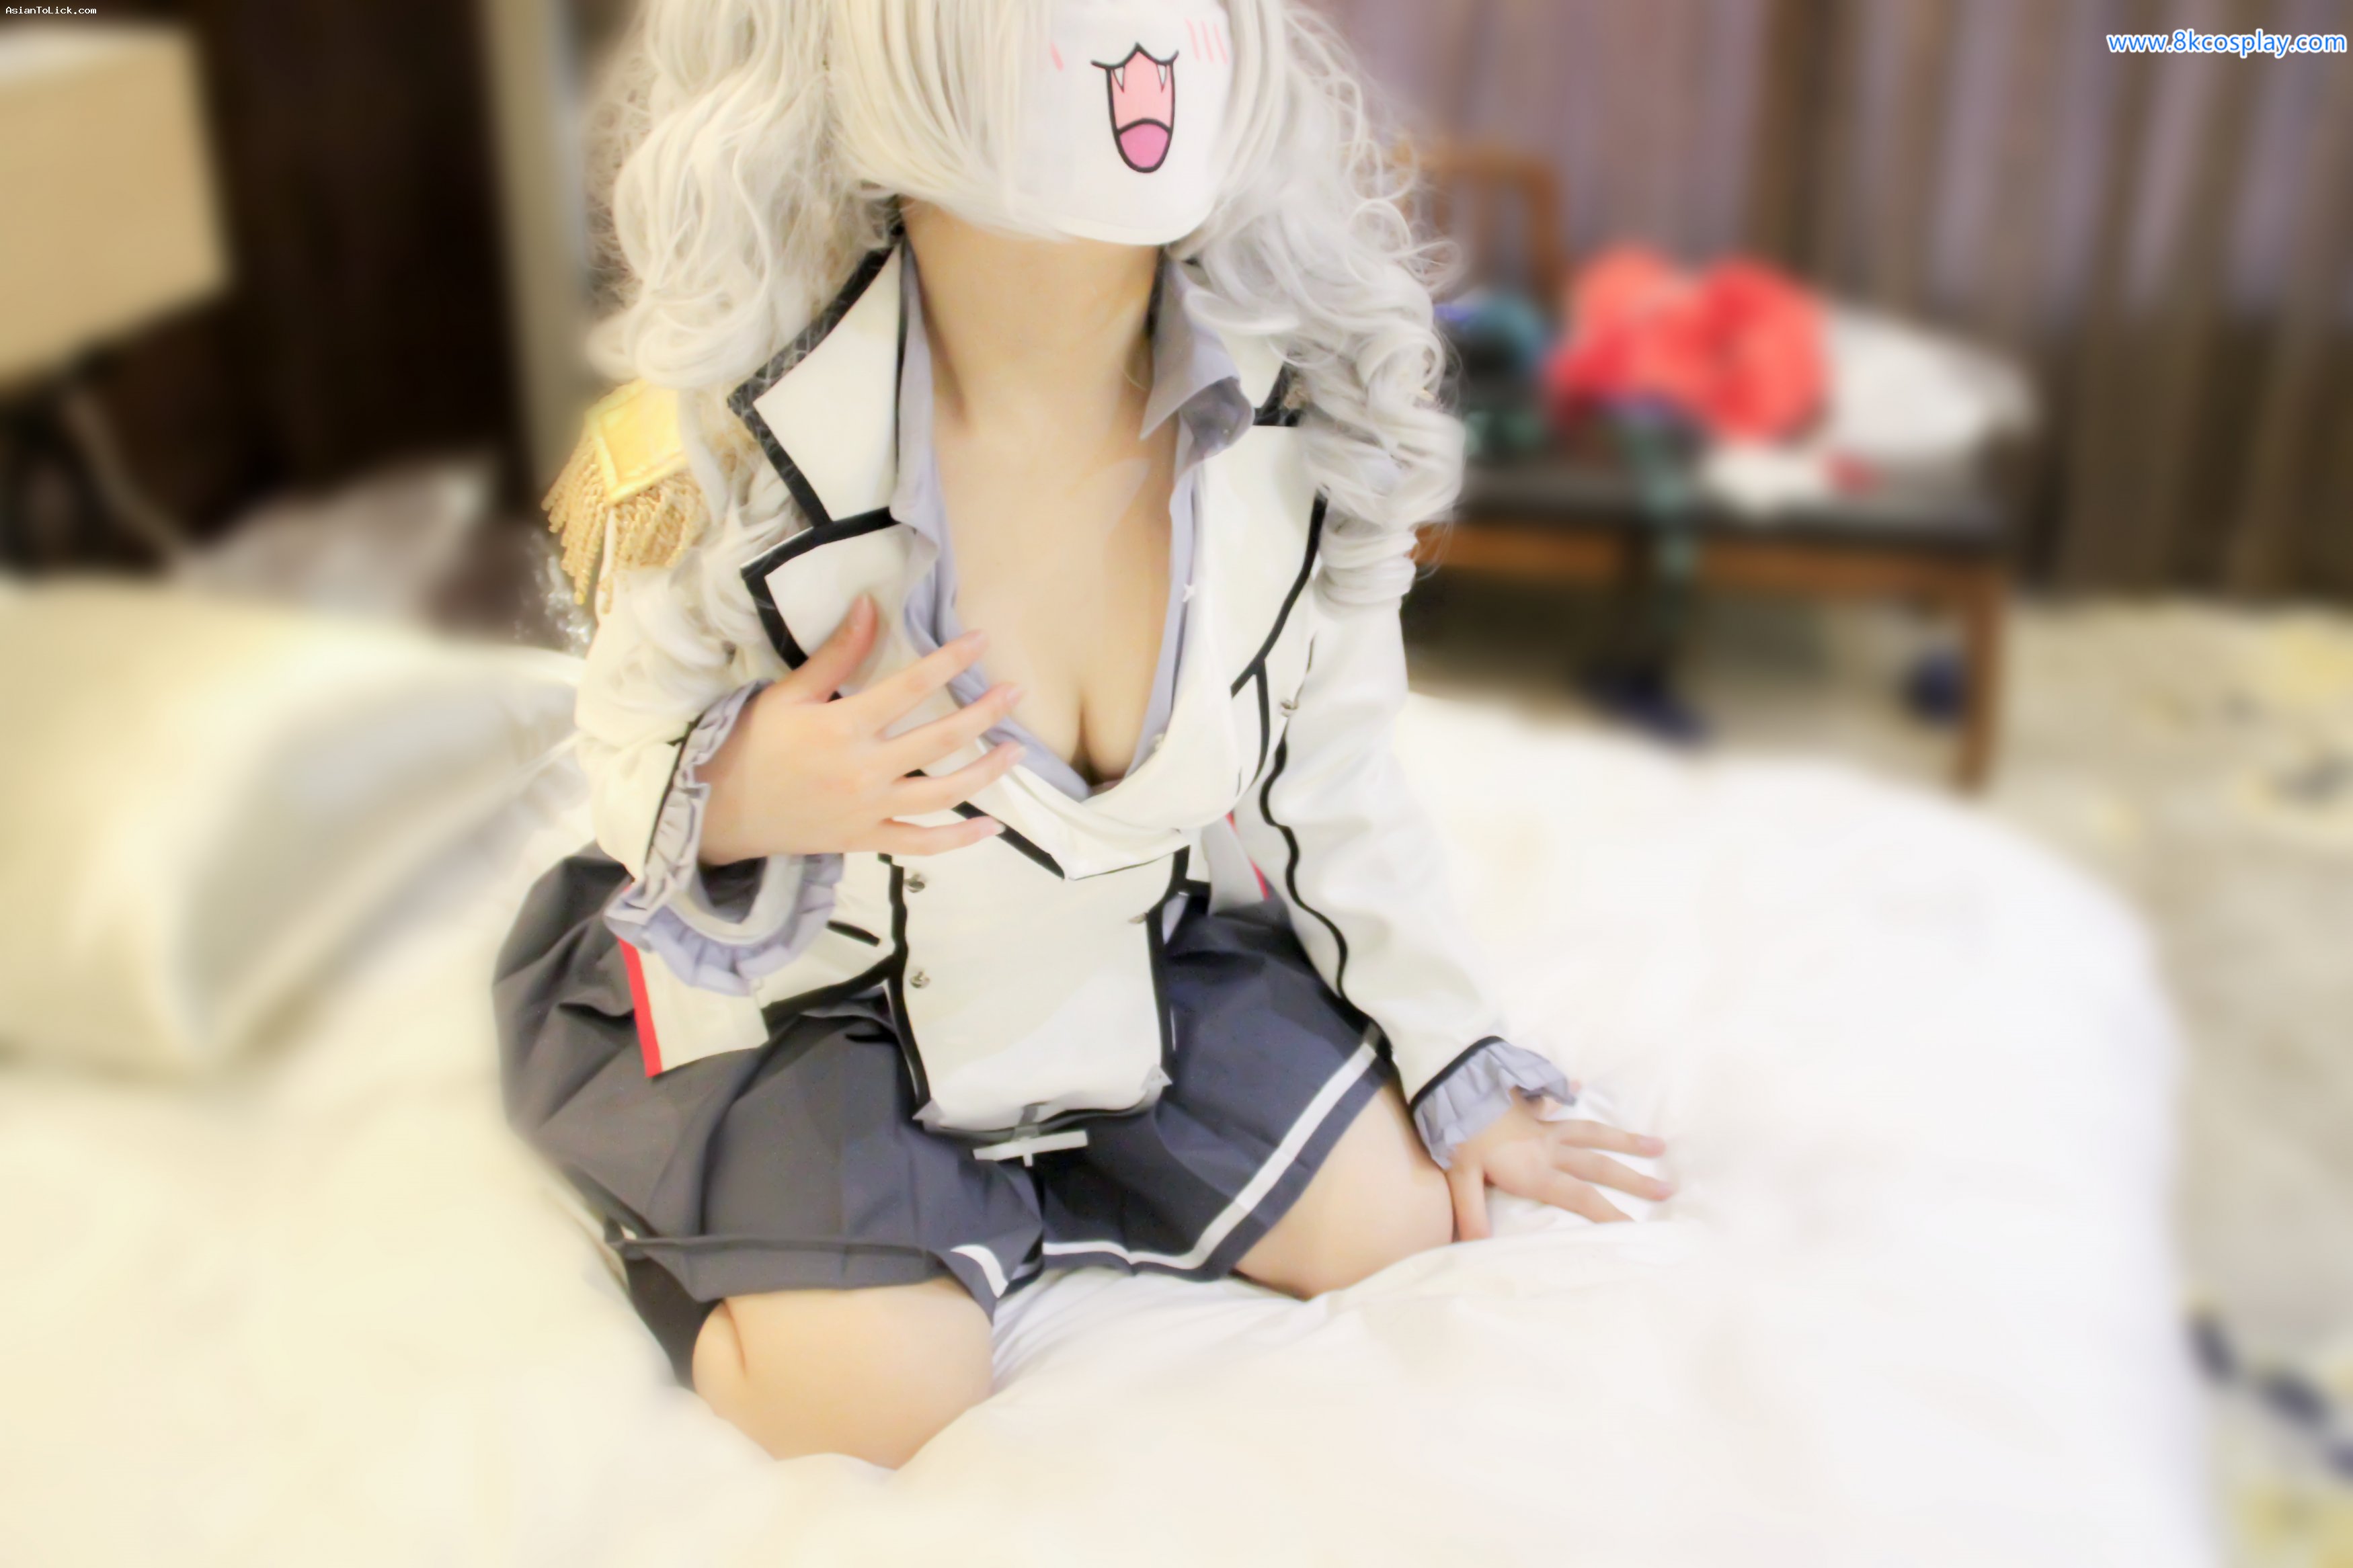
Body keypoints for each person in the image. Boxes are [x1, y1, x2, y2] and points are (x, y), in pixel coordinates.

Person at [496, 0, 1669, 1468]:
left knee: (1398, 1217)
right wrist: (743, 790)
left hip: (1117, 961)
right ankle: (821, 1217)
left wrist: (1458, 1062)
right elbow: (624, 743)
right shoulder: (716, 438)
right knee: (869, 1403)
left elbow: (1337, 781)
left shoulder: (1305, 419)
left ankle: (1020, 1189)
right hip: (825, 1000)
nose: (1137, 40)